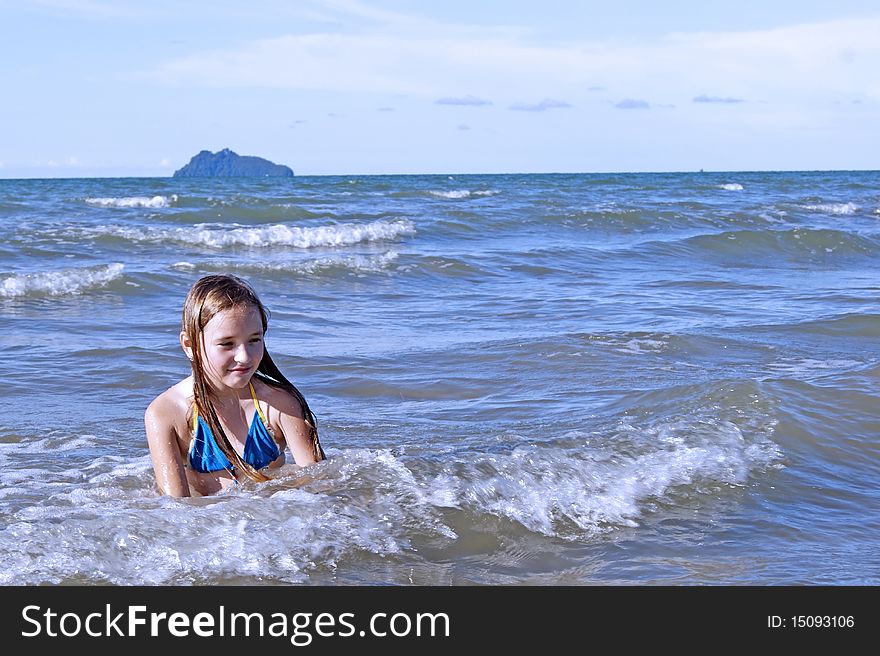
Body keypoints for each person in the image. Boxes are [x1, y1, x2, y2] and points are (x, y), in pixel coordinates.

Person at [145, 274, 324, 497]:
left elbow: (318, 485)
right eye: (227, 344)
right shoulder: (165, 413)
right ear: (189, 345)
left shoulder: (279, 403)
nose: (244, 356)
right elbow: (176, 507)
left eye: (254, 340)